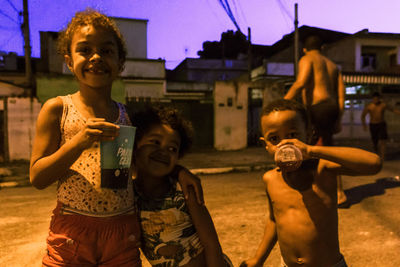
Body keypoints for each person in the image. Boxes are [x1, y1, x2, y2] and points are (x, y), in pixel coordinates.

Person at [29, 9, 202, 267]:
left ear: (120, 62)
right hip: (72, 233)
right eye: (85, 50)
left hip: (123, 231)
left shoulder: (128, 115)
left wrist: (178, 171)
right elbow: (37, 176)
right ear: (68, 60)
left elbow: (146, 159)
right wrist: (78, 142)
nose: (96, 57)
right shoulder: (57, 109)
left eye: (107, 51)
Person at [240, 99, 381, 267]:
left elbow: (374, 164)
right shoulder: (270, 179)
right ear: (266, 145)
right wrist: (259, 259)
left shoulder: (323, 168)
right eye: (275, 138)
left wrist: (312, 150)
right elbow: (274, 220)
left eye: (292, 135)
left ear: (309, 134)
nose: (284, 144)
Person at [131, 105, 232, 267]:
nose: (163, 151)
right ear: (134, 146)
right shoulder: (128, 195)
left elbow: (211, 245)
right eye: (155, 142)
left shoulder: (183, 190)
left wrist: (179, 171)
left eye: (172, 148)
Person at [283, 35, 348, 206]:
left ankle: (321, 191)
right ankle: (338, 192)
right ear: (322, 48)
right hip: (331, 109)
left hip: (317, 108)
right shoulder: (333, 66)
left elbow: (301, 83)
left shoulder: (307, 59)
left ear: (305, 49)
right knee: (328, 150)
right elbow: (341, 96)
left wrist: (283, 103)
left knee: (310, 150)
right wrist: (339, 119)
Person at [361, 92, 400, 162]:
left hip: (381, 124)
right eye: (374, 99)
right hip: (373, 125)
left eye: (377, 99)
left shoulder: (383, 105)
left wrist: (398, 112)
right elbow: (363, 116)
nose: (376, 100)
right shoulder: (369, 106)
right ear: (373, 99)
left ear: (379, 99)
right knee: (375, 142)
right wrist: (364, 125)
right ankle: (376, 155)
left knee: (383, 141)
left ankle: (383, 157)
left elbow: (393, 110)